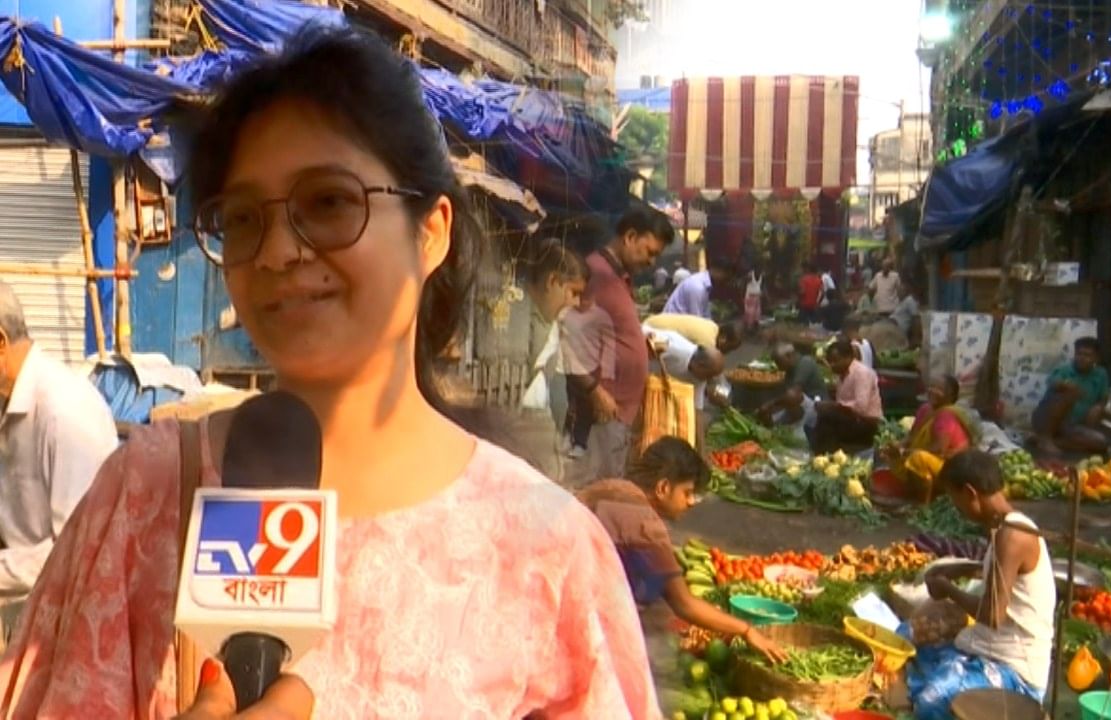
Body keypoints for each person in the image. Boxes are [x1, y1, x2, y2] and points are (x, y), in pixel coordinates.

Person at [0, 27, 661, 719]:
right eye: (244, 218)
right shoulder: (141, 498)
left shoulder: (547, 552)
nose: (279, 250)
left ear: (431, 230)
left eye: (329, 202)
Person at [577, 436, 787, 663]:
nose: (690, 502)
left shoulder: (612, 487)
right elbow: (684, 604)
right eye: (687, 492)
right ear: (663, 487)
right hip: (582, 618)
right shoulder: (646, 524)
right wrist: (746, 630)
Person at [0, 281, 118, 642]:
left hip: (70, 629)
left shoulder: (63, 411)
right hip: (25, 614)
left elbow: (77, 551)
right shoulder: (10, 399)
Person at [907, 450, 1056, 720]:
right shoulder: (1002, 526)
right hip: (989, 649)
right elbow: (999, 572)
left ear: (970, 493)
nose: (958, 509)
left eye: (956, 501)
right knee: (911, 646)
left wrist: (948, 589)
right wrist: (958, 569)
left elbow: (992, 615)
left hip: (1017, 671)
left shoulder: (1013, 535)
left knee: (930, 700)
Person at [586, 206, 674, 480]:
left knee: (611, 483)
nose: (652, 262)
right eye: (650, 252)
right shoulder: (596, 274)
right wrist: (594, 390)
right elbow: (572, 339)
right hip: (604, 409)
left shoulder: (618, 278)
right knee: (601, 490)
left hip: (619, 410)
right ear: (630, 237)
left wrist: (638, 345)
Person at [517, 241, 588, 482]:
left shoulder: (551, 324)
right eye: (574, 292)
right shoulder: (518, 320)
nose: (577, 303)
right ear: (552, 282)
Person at [885, 375, 980, 502]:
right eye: (931, 386)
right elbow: (911, 436)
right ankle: (912, 493)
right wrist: (898, 446)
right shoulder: (925, 409)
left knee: (918, 458)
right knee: (894, 456)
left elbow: (939, 450)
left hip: (951, 468)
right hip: (931, 459)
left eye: (939, 389)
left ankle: (924, 504)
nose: (932, 390)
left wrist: (905, 452)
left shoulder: (946, 415)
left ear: (950, 395)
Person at [562, 285, 616, 459]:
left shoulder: (601, 316)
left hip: (590, 369)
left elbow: (609, 345)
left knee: (585, 408)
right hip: (567, 367)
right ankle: (564, 435)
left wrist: (607, 372)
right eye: (579, 297)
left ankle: (580, 442)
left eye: (587, 298)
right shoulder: (565, 314)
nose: (582, 302)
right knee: (565, 403)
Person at [1032, 336, 1109, 455]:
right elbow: (1053, 383)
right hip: (1046, 421)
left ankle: (1047, 441)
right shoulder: (1064, 370)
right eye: (1079, 354)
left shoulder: (1101, 374)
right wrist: (1067, 386)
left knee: (1101, 443)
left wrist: (1099, 406)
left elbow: (1104, 397)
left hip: (1072, 427)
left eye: (1087, 355)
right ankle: (1046, 438)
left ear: (1096, 358)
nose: (1082, 358)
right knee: (1068, 392)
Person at [811, 340, 882, 454]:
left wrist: (835, 406)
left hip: (866, 423)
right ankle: (823, 455)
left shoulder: (861, 373)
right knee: (822, 416)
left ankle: (826, 455)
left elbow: (861, 407)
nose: (832, 365)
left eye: (835, 361)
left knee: (827, 419)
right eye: (830, 361)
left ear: (848, 357)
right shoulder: (842, 375)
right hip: (850, 419)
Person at [642, 326, 727, 410]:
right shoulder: (675, 348)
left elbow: (696, 407)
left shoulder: (699, 378)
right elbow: (645, 340)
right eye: (709, 375)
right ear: (701, 365)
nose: (708, 380)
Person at [756, 342, 827, 430]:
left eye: (779, 362)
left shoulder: (805, 363)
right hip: (799, 407)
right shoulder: (789, 370)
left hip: (816, 406)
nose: (778, 366)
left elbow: (792, 395)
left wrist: (770, 404)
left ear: (789, 356)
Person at [643, 313, 743, 354]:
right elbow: (703, 367)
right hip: (652, 331)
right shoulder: (708, 341)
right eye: (729, 348)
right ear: (723, 339)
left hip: (652, 322)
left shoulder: (712, 326)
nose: (727, 353)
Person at [661, 261, 730, 318]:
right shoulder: (698, 286)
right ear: (716, 271)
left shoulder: (705, 284)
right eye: (725, 277)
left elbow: (705, 313)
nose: (725, 281)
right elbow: (697, 319)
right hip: (673, 326)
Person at [744, 268, 764, 332]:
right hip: (750, 297)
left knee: (757, 313)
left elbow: (760, 286)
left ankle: (755, 327)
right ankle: (749, 328)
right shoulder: (750, 275)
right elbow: (744, 284)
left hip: (757, 297)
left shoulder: (761, 275)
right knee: (750, 313)